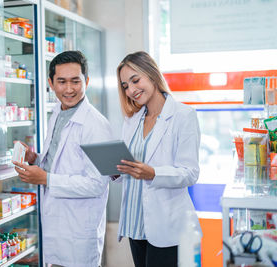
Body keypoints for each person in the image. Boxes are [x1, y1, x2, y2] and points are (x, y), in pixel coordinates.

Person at [13, 50, 113, 267]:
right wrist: (34, 158)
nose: (69, 89)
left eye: (75, 81)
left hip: (78, 233)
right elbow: (59, 161)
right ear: (51, 83)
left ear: (86, 81)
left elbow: (97, 184)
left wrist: (46, 179)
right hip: (57, 227)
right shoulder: (58, 112)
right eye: (62, 81)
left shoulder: (97, 125)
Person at [114, 51, 201, 267]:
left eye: (136, 80)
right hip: (135, 222)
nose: (132, 90)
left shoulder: (183, 115)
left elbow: (190, 172)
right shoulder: (132, 120)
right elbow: (131, 166)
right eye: (125, 85)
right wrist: (116, 170)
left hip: (166, 224)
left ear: (152, 75)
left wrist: (153, 173)